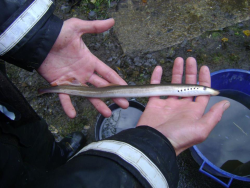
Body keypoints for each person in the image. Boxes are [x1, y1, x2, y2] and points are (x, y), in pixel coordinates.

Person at [0, 0, 230, 187]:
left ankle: (57, 155)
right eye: (202, 91)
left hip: (8, 115)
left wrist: (39, 37)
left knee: (30, 137)